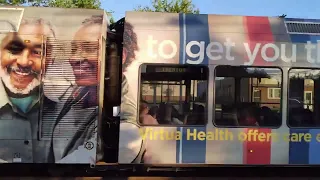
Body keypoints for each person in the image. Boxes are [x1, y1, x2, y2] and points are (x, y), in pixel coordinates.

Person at [44, 15, 102, 163]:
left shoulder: (122, 114)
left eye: (89, 48)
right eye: (74, 48)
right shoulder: (77, 95)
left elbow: (86, 156)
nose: (74, 58)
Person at [0, 18, 56, 163]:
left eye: (37, 52)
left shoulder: (67, 114)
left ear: (51, 60)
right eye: (14, 49)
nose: (24, 62)